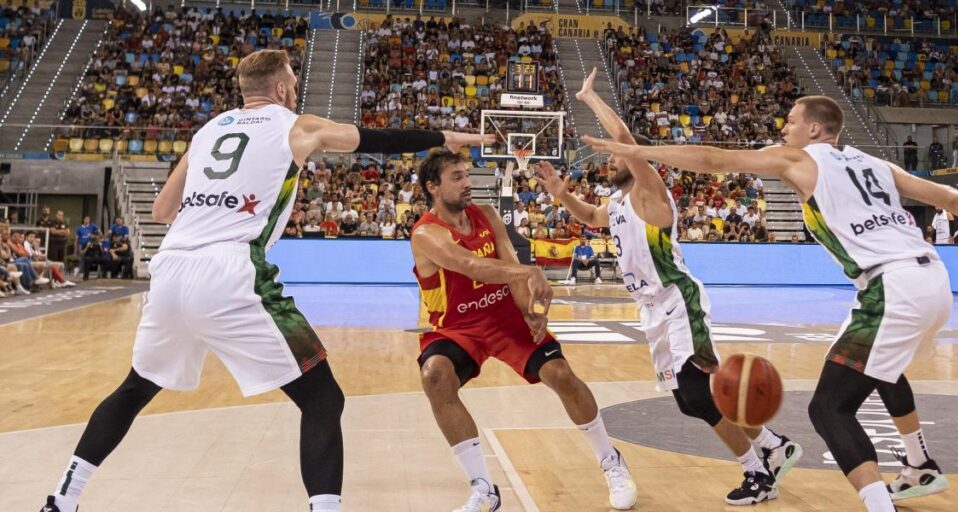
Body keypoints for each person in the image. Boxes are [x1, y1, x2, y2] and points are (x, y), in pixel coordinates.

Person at [38, 49, 490, 512]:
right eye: (292, 82)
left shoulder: (208, 130)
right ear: (280, 89)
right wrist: (451, 135)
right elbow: (381, 138)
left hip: (171, 268)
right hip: (231, 270)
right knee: (322, 398)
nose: (294, 90)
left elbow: (161, 211)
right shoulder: (297, 125)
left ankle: (61, 499)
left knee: (136, 388)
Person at [584, 95, 958, 512]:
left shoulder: (800, 158)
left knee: (829, 408)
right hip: (934, 280)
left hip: (892, 284)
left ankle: (881, 502)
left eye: (791, 120)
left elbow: (715, 160)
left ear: (813, 128)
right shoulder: (874, 163)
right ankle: (918, 463)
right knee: (881, 365)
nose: (784, 128)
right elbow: (949, 198)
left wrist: (638, 148)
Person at [538, 68, 803, 507]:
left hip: (680, 302)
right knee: (688, 401)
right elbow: (588, 218)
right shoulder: (619, 203)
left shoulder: (650, 194)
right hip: (652, 311)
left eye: (617, 157)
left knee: (699, 393)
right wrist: (560, 194)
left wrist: (589, 98)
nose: (610, 161)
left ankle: (758, 473)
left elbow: (624, 138)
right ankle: (774, 444)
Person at [410, 149, 638, 511]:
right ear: (433, 187)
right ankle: (483, 487)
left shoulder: (485, 214)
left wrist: (530, 309)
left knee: (561, 374)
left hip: (504, 317)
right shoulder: (425, 233)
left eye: (467, 175)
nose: (468, 183)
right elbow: (470, 266)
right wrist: (529, 274)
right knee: (435, 376)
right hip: (458, 326)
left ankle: (611, 460)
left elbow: (508, 261)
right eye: (457, 177)